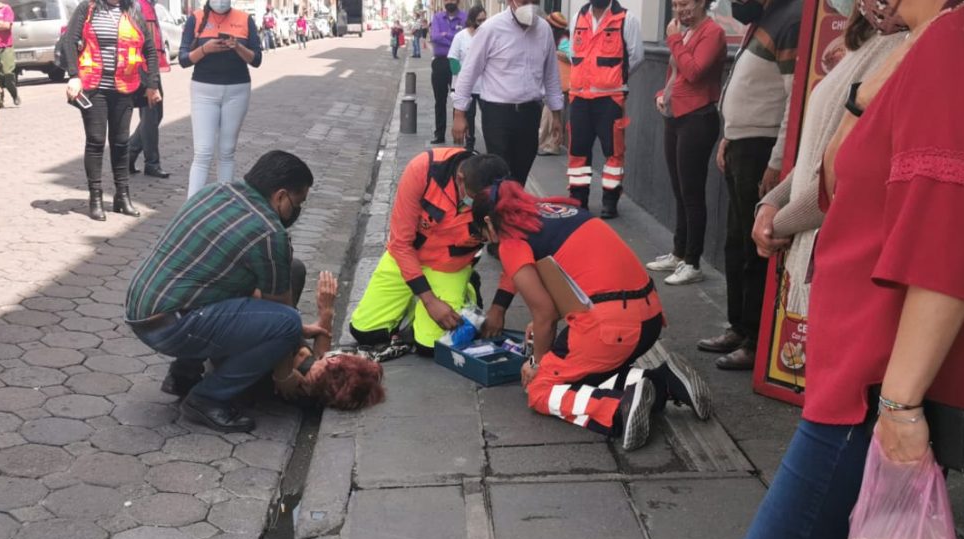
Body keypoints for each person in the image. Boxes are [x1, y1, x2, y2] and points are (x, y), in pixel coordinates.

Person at [737, 1, 964, 539]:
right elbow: (838, 177)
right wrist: (872, 76)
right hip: (857, 373)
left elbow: (951, 234)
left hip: (873, 383)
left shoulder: (963, 38)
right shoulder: (930, 39)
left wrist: (900, 408)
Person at [465, 164, 712, 450]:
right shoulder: (554, 211)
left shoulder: (512, 241)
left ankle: (619, 409)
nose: (488, 240)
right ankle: (663, 380)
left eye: (482, 233)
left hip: (611, 328)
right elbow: (572, 280)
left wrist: (537, 364)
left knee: (542, 389)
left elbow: (544, 315)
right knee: (582, 372)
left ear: (489, 222)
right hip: (649, 319)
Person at [125, 151, 320, 432]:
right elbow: (281, 312)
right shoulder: (269, 232)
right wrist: (285, 372)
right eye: (297, 202)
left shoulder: (217, 191)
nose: (296, 212)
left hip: (143, 309)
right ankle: (207, 398)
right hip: (170, 325)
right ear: (280, 196)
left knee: (289, 271)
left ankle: (184, 373)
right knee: (286, 323)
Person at [751, 6, 905, 317]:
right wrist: (772, 201)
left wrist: (777, 224)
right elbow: (821, 148)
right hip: (819, 252)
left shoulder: (902, 51)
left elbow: (850, 169)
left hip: (849, 259)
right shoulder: (867, 43)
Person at [697, 0, 800, 371]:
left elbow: (793, 98)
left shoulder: (792, 19)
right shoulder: (764, 18)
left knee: (753, 246)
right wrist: (728, 136)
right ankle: (739, 326)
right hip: (741, 143)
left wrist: (776, 160)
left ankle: (756, 340)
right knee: (735, 242)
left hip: (761, 148)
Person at [348, 148, 498, 354]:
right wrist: (430, 301)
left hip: (450, 266)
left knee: (431, 346)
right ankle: (414, 300)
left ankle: (468, 290)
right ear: (460, 178)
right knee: (365, 333)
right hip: (407, 257)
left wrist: (499, 308)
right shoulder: (424, 170)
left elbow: (514, 251)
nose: (471, 205)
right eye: (471, 198)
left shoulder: (498, 191)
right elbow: (401, 243)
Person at [644, 0, 725, 285]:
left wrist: (674, 39)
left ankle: (693, 262)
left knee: (692, 193)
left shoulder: (711, 32)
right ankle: (679, 253)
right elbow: (675, 74)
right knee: (679, 190)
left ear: (702, 3)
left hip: (698, 118)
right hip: (675, 114)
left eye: (686, 3)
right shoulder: (685, 32)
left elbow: (694, 71)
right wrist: (661, 93)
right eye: (676, 4)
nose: (680, 10)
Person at [62, 0, 161, 222]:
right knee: (96, 141)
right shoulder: (87, 8)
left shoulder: (133, 11)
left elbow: (150, 50)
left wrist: (152, 84)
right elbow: (70, 41)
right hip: (93, 86)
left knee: (121, 142)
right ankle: (95, 199)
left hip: (125, 87)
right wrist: (74, 76)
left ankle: (122, 197)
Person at [452, 0, 563, 184]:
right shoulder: (490, 29)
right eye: (524, 1)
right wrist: (459, 114)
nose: (529, 4)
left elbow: (551, 74)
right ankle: (500, 210)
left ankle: (514, 209)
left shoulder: (544, 30)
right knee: (500, 174)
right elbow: (469, 72)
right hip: (498, 115)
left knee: (520, 173)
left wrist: (556, 115)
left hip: (530, 113)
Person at [564, 0, 643, 219]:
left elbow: (636, 57)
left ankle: (610, 201)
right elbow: (573, 54)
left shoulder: (627, 19)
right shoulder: (578, 17)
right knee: (578, 153)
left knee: (613, 154)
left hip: (610, 99)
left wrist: (614, 79)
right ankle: (579, 199)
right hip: (579, 97)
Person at [179, 0, 263, 198]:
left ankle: (224, 202)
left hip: (237, 90)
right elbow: (183, 59)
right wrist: (205, 49)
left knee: (227, 152)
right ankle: (192, 207)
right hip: (204, 90)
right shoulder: (196, 18)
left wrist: (237, 47)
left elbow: (257, 59)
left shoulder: (244, 19)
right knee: (203, 152)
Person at [274, 271, 387, 410]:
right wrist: (326, 312)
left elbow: (278, 326)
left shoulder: (289, 375)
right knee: (293, 273)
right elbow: (321, 354)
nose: (345, 352)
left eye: (348, 355)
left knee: (292, 271)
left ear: (334, 361)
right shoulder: (313, 380)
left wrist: (298, 327)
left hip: (262, 323)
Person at [128, 0, 172, 180]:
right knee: (151, 114)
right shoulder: (139, 5)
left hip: (148, 66)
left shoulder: (147, 5)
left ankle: (129, 154)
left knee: (154, 114)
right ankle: (151, 163)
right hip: (143, 66)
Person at [446, 6, 486, 151]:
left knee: (488, 117)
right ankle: (469, 145)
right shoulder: (461, 37)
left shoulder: (486, 36)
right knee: (468, 116)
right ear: (471, 19)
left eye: (484, 20)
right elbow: (453, 60)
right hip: (465, 87)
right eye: (479, 20)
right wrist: (467, 75)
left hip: (484, 87)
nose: (481, 23)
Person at [429, 1, 466, 144]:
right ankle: (439, 134)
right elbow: (435, 37)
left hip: (456, 62)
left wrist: (445, 35)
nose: (449, 1)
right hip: (440, 62)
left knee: (459, 99)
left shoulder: (464, 17)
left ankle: (458, 134)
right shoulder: (437, 17)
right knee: (440, 100)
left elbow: (464, 39)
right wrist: (454, 37)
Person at [537, 12, 570, 156]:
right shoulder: (555, 40)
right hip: (556, 85)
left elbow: (572, 56)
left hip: (560, 85)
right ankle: (545, 144)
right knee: (547, 117)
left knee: (550, 117)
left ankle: (551, 146)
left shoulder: (563, 41)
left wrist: (556, 53)